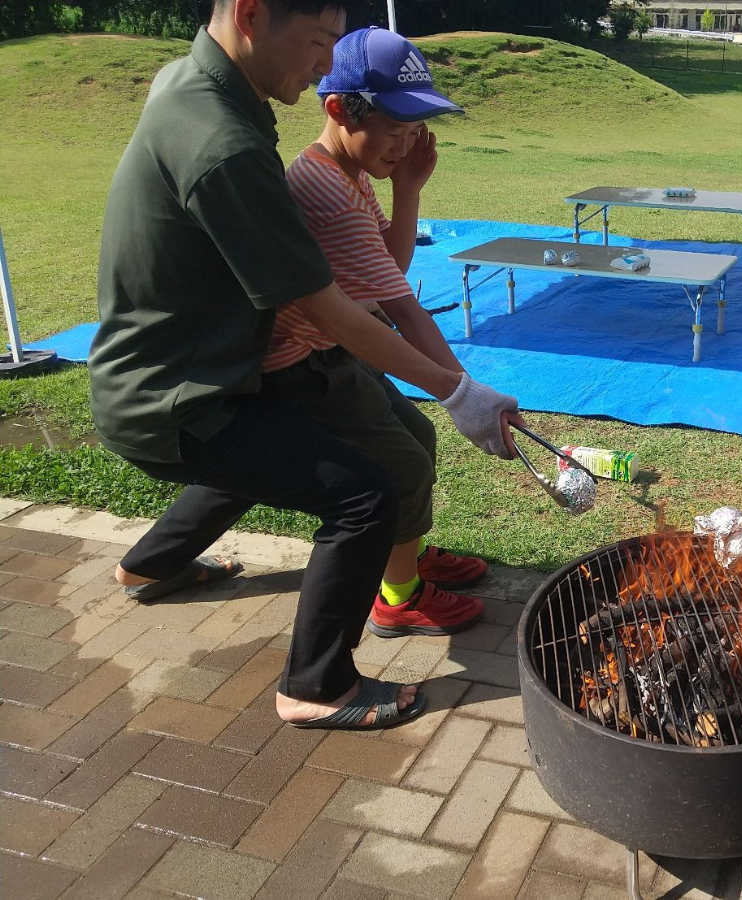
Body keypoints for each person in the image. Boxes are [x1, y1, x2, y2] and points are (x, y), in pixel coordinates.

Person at [88, 0, 520, 730]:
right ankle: (317, 685)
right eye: (319, 40)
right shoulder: (222, 139)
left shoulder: (207, 92)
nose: (324, 60)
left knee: (263, 468)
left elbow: (367, 280)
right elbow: (334, 306)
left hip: (210, 373)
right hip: (185, 393)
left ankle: (148, 566)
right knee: (361, 496)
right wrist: (459, 391)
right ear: (253, 14)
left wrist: (405, 193)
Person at [259, 26, 489, 639]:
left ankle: (404, 554)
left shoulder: (344, 173)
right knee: (405, 464)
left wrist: (406, 189)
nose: (406, 144)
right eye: (396, 131)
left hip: (330, 352)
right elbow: (403, 308)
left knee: (414, 436)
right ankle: (398, 596)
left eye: (417, 131)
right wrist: (466, 393)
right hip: (300, 367)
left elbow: (386, 265)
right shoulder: (327, 194)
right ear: (339, 110)